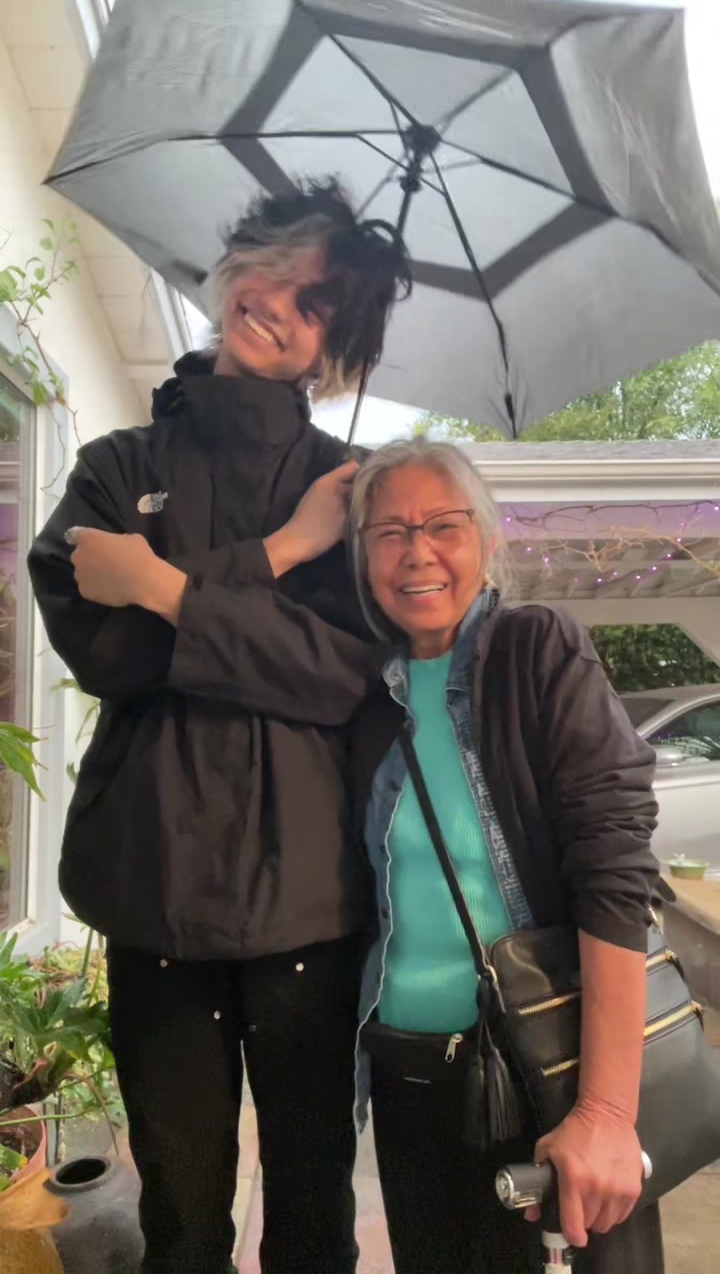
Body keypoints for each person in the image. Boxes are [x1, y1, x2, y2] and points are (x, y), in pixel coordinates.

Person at [27, 179, 411, 1274]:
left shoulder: (350, 490)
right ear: (233, 264)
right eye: (270, 268)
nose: (277, 303)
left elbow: (340, 675)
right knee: (183, 1217)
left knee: (312, 1212)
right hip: (152, 893)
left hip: (309, 907)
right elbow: (103, 653)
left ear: (336, 349)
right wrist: (277, 557)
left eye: (316, 302)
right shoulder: (116, 467)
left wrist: (162, 587)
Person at [346, 438, 664, 1274]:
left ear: (486, 540)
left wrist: (606, 1109)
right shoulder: (361, 691)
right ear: (364, 558)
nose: (417, 552)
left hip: (542, 1066)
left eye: (442, 525)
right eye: (389, 532)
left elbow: (614, 867)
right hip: (408, 1069)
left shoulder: (533, 650)